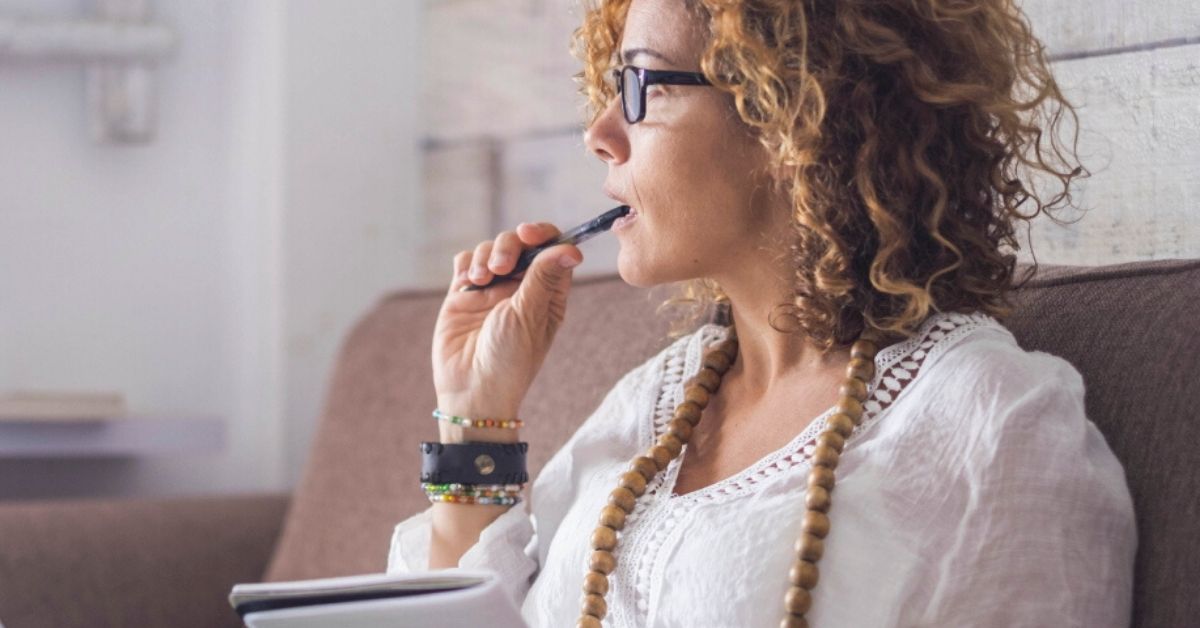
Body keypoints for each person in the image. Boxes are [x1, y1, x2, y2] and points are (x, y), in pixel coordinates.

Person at [388, 0, 1137, 626]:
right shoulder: (649, 404)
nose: (600, 135)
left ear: (792, 113)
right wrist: (474, 415)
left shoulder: (990, 422)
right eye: (611, 85)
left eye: (642, 83)